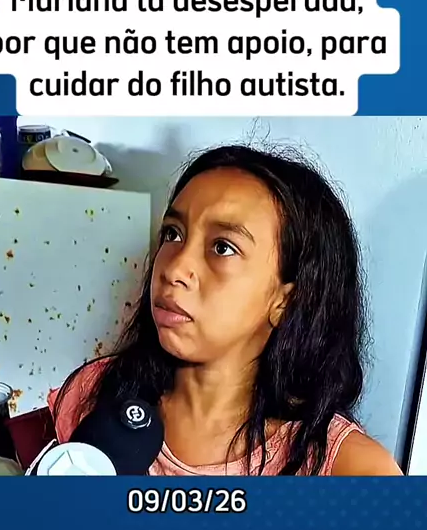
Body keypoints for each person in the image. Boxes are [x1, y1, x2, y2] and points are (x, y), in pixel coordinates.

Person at [51, 144, 402, 476]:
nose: (175, 269)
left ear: (286, 300)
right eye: (173, 234)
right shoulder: (96, 391)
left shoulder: (349, 469)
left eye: (222, 247)